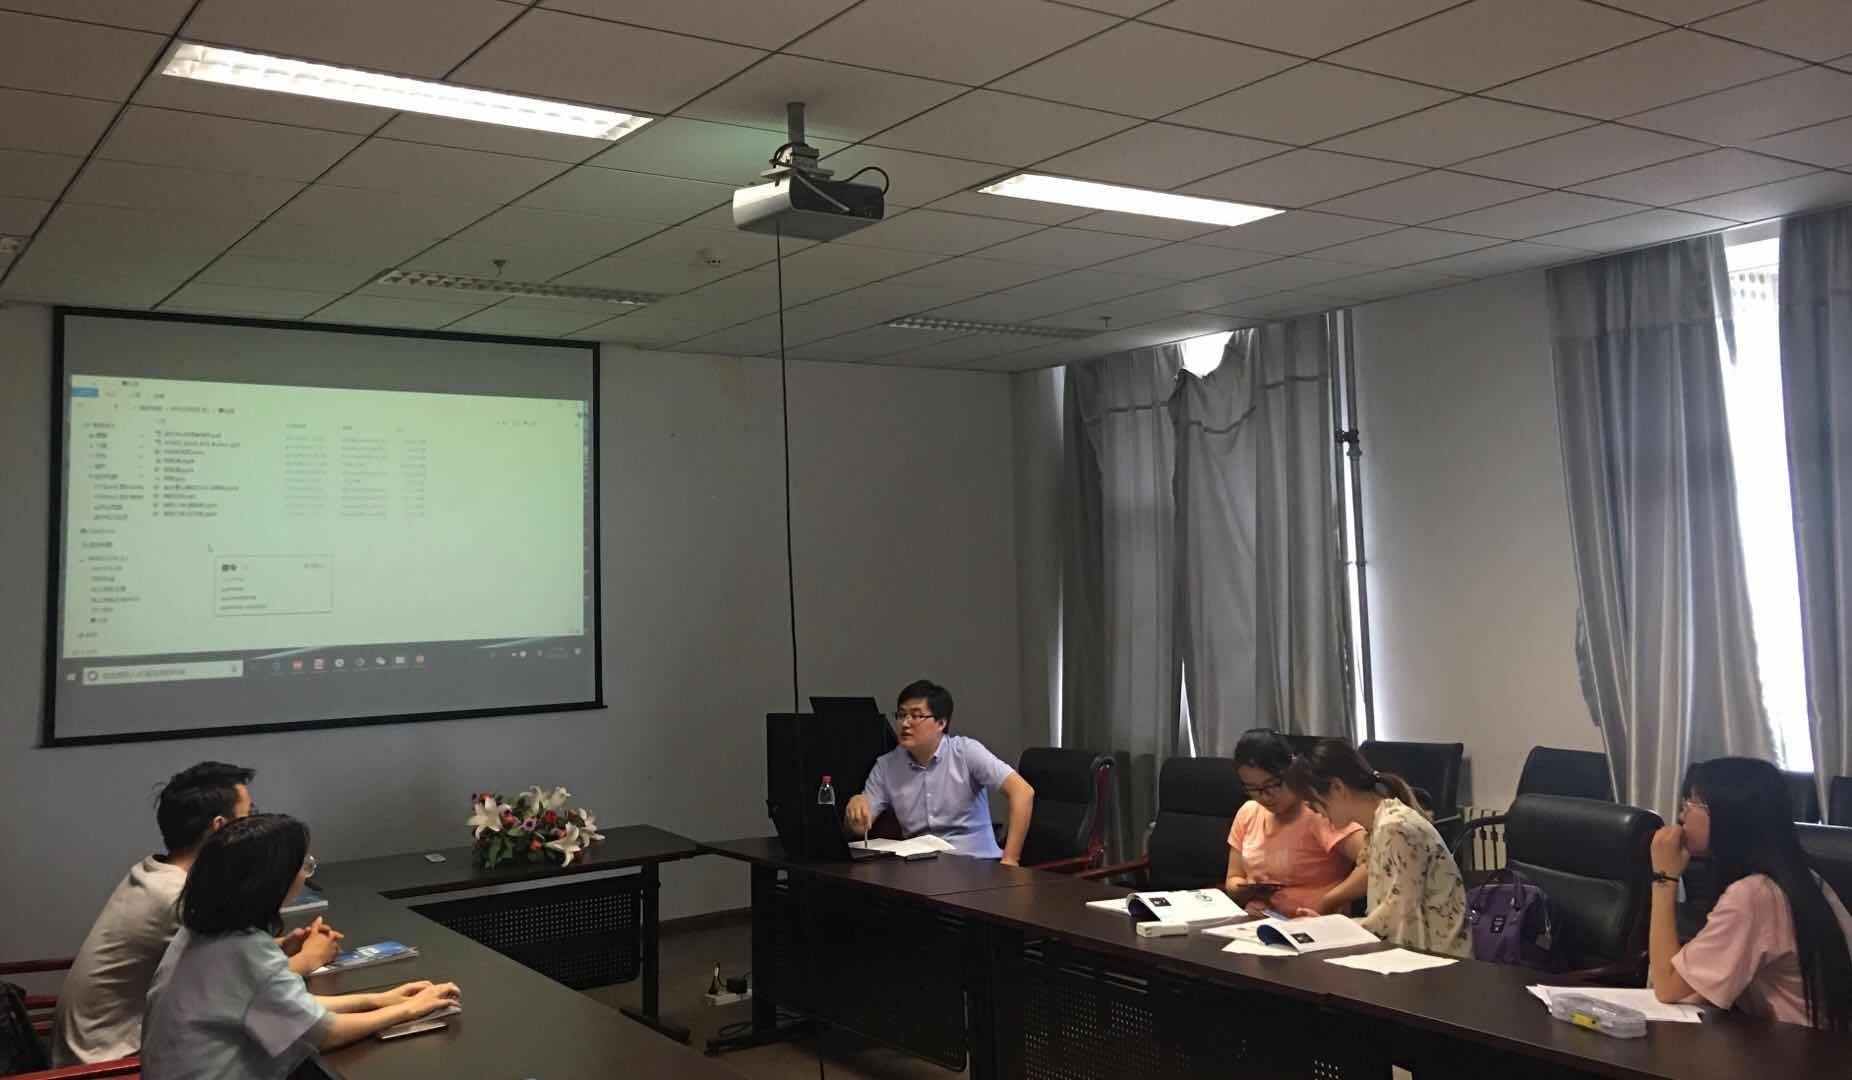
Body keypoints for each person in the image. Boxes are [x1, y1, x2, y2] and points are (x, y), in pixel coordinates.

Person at [52, 762, 343, 1066]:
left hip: (97, 1044)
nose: (255, 824)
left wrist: (279, 947)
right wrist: (310, 958)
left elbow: (210, 965)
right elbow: (237, 992)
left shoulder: (153, 873)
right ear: (220, 827)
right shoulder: (180, 899)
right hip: (113, 1061)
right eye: (249, 814)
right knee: (287, 1050)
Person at [142, 814, 461, 1079]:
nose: (306, 875)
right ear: (273, 880)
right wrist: (406, 1010)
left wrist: (379, 999)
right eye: (304, 865)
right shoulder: (245, 950)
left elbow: (289, 1007)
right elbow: (324, 1034)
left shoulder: (200, 931)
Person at [1648, 757, 1852, 1030]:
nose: (1681, 816)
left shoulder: (1754, 896)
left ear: (1729, 815)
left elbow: (1667, 986)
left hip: (1799, 1048)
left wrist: (1664, 878)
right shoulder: (1804, 878)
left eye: (1691, 804)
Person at [1285, 739, 1468, 958]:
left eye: (1314, 803)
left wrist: (1329, 931)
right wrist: (1328, 927)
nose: (1317, 813)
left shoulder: (1395, 827)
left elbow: (1400, 922)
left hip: (1438, 961)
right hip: (1418, 954)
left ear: (1337, 787)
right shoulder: (1381, 825)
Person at [842, 679, 1035, 863]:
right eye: (901, 715)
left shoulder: (966, 752)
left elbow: (1022, 792)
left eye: (916, 716)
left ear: (941, 723)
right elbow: (860, 828)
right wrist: (856, 809)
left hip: (977, 864)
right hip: (919, 867)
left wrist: (1010, 859)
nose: (905, 723)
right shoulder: (887, 766)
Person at [1225, 729, 1367, 917]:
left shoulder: (1320, 812)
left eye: (1272, 785)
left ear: (1291, 772)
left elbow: (1376, 861)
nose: (1264, 796)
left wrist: (1329, 901)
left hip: (1317, 923)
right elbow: (1233, 879)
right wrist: (1249, 891)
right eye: (1253, 788)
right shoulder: (1248, 813)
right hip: (1264, 923)